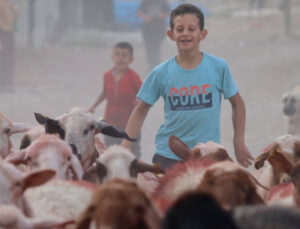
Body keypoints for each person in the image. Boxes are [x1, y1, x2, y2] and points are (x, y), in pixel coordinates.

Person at [122, 3, 253, 169]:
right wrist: (125, 147)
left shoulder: (218, 67)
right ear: (171, 34)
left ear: (202, 34)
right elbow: (141, 110)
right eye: (180, 29)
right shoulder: (160, 72)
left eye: (192, 29)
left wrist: (238, 142)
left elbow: (237, 103)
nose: (185, 34)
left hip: (208, 155)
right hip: (169, 155)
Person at [88, 42, 142, 158]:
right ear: (112, 57)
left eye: (124, 55)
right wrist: (93, 106)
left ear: (131, 59)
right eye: (117, 55)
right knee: (111, 152)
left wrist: (139, 102)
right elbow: (104, 93)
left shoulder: (134, 77)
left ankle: (136, 175)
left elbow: (143, 95)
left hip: (130, 123)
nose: (120, 58)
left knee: (133, 154)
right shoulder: (107, 76)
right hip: (111, 122)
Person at [138, 0, 170, 71]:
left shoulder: (163, 2)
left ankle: (156, 66)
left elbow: (168, 12)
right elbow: (140, 11)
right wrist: (145, 17)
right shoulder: (145, 2)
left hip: (159, 29)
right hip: (147, 29)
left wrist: (161, 16)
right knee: (148, 48)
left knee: (156, 48)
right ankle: (150, 66)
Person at [0, 0, 18, 92]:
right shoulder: (2, 4)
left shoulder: (10, 4)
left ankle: (8, 83)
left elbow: (15, 16)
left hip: (10, 32)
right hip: (3, 32)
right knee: (4, 57)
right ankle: (3, 83)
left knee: (9, 58)